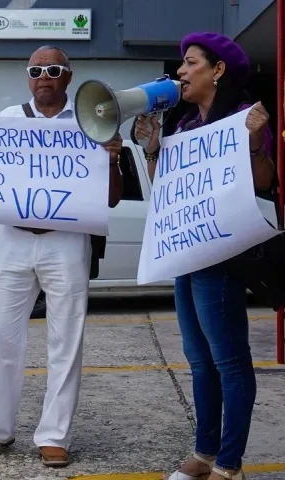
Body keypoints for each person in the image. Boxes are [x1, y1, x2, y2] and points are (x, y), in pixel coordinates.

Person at [0, 45, 124, 467]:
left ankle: (55, 435)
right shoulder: (7, 122)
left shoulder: (92, 121)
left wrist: (112, 161)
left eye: (53, 69)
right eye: (36, 70)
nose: (44, 76)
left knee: (65, 339)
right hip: (13, 240)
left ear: (69, 76)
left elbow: (111, 199)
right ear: (27, 76)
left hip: (67, 240)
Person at [134, 32, 274, 480]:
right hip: (187, 256)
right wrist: (154, 148)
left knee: (229, 360)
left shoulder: (240, 118)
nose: (181, 71)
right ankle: (205, 452)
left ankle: (229, 464)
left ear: (217, 71)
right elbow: (167, 189)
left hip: (222, 257)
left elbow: (264, 179)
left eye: (191, 63)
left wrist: (254, 141)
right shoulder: (185, 127)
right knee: (198, 359)